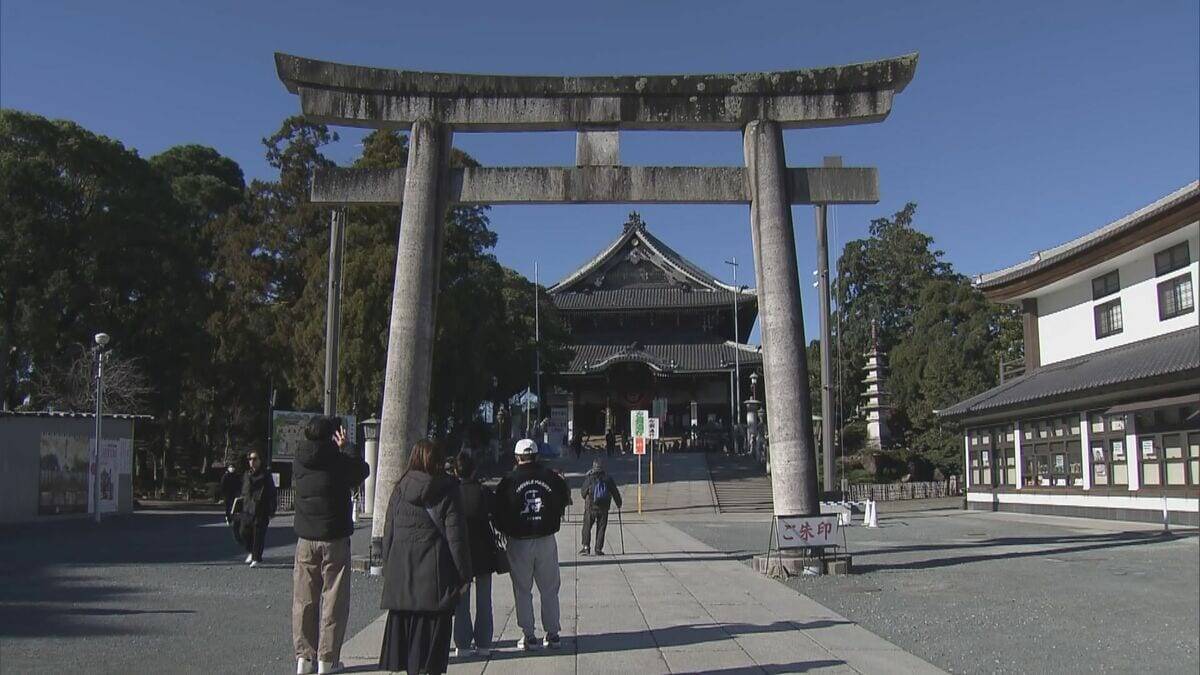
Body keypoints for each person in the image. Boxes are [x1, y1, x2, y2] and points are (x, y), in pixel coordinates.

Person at [379, 440, 472, 674]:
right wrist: (464, 575)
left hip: (402, 579)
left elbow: (388, 533)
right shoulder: (447, 490)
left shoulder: (399, 489)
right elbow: (456, 540)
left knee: (408, 654)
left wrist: (388, 567)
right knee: (430, 659)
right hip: (434, 582)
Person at [292, 416, 371, 675]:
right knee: (333, 599)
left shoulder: (299, 460)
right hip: (334, 537)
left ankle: (304, 658)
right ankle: (328, 660)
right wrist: (347, 447)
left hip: (305, 538)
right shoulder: (338, 461)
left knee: (304, 598)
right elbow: (362, 470)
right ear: (331, 436)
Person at [494, 438, 569, 651]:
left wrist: (505, 530)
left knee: (522, 589)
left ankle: (529, 635)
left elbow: (498, 511)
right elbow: (563, 500)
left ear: (517, 457)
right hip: (546, 538)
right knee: (549, 588)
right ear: (536, 456)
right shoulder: (551, 477)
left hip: (518, 541)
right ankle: (553, 633)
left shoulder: (509, 480)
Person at [450, 452, 501, 658]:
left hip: (460, 550)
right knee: (484, 598)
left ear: (455, 471)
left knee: (462, 599)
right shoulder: (484, 492)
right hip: (483, 550)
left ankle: (462, 643)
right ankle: (483, 642)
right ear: (474, 470)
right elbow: (497, 516)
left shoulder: (452, 494)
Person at [579, 459, 622, 556]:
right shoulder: (608, 478)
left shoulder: (589, 478)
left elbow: (582, 493)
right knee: (601, 528)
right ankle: (598, 549)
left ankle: (586, 547)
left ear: (593, 467)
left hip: (590, 507)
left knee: (586, 527)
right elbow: (615, 492)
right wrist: (619, 504)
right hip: (604, 508)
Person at [241, 451, 276, 568]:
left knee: (258, 535)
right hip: (247, 509)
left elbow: (272, 493)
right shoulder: (246, 474)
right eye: (250, 459)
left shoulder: (266, 475)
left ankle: (256, 557)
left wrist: (272, 510)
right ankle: (251, 551)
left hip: (261, 509)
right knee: (243, 532)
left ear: (260, 460)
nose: (252, 461)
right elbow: (244, 491)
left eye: (254, 459)